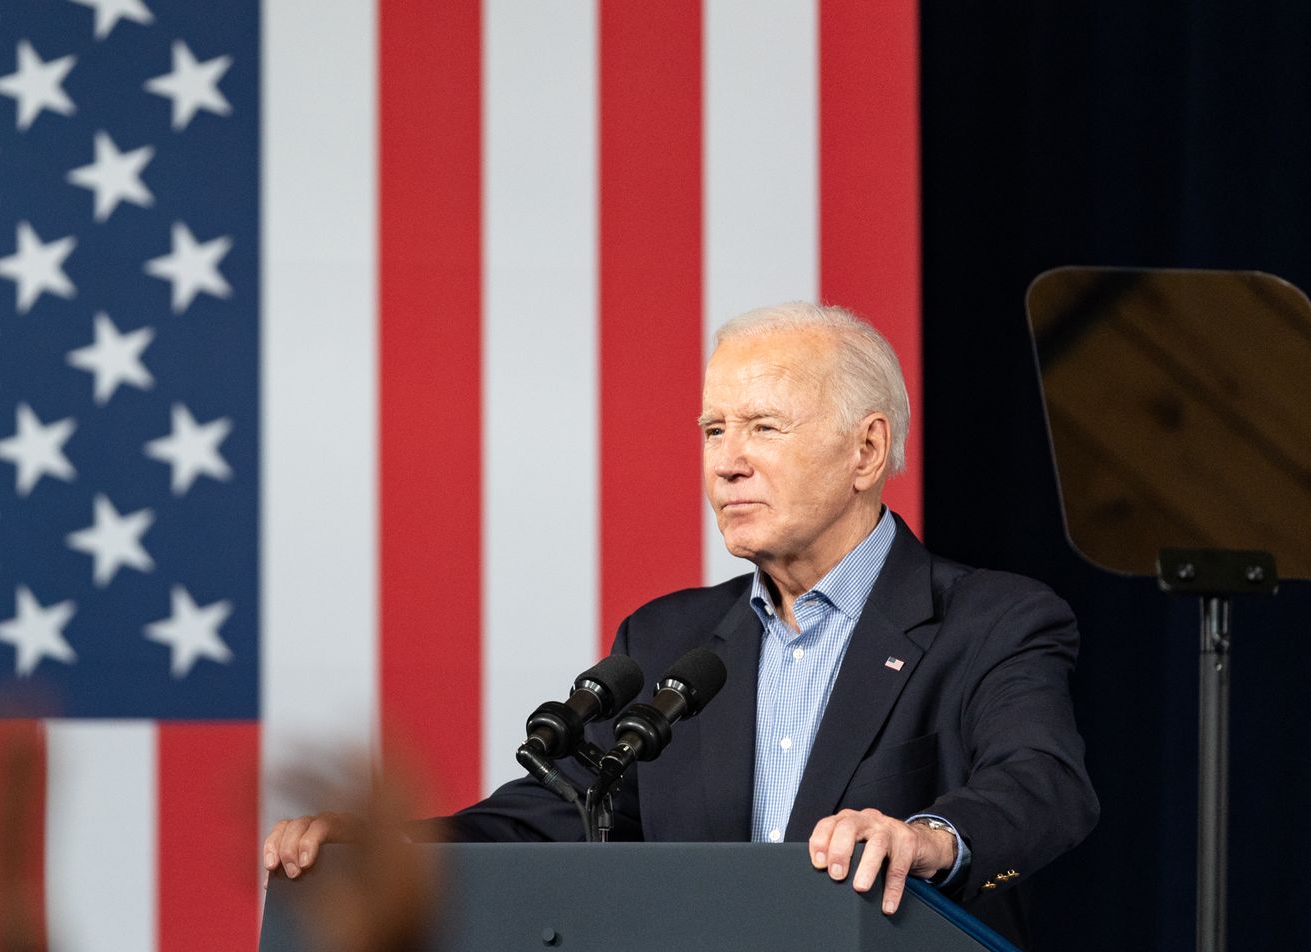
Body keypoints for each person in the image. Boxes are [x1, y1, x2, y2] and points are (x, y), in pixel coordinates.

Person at [262, 302, 1098, 947]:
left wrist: (925, 839)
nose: (727, 460)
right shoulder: (670, 641)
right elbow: (558, 811)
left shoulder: (990, 621)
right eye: (713, 430)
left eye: (763, 428)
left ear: (866, 452)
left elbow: (1041, 783)